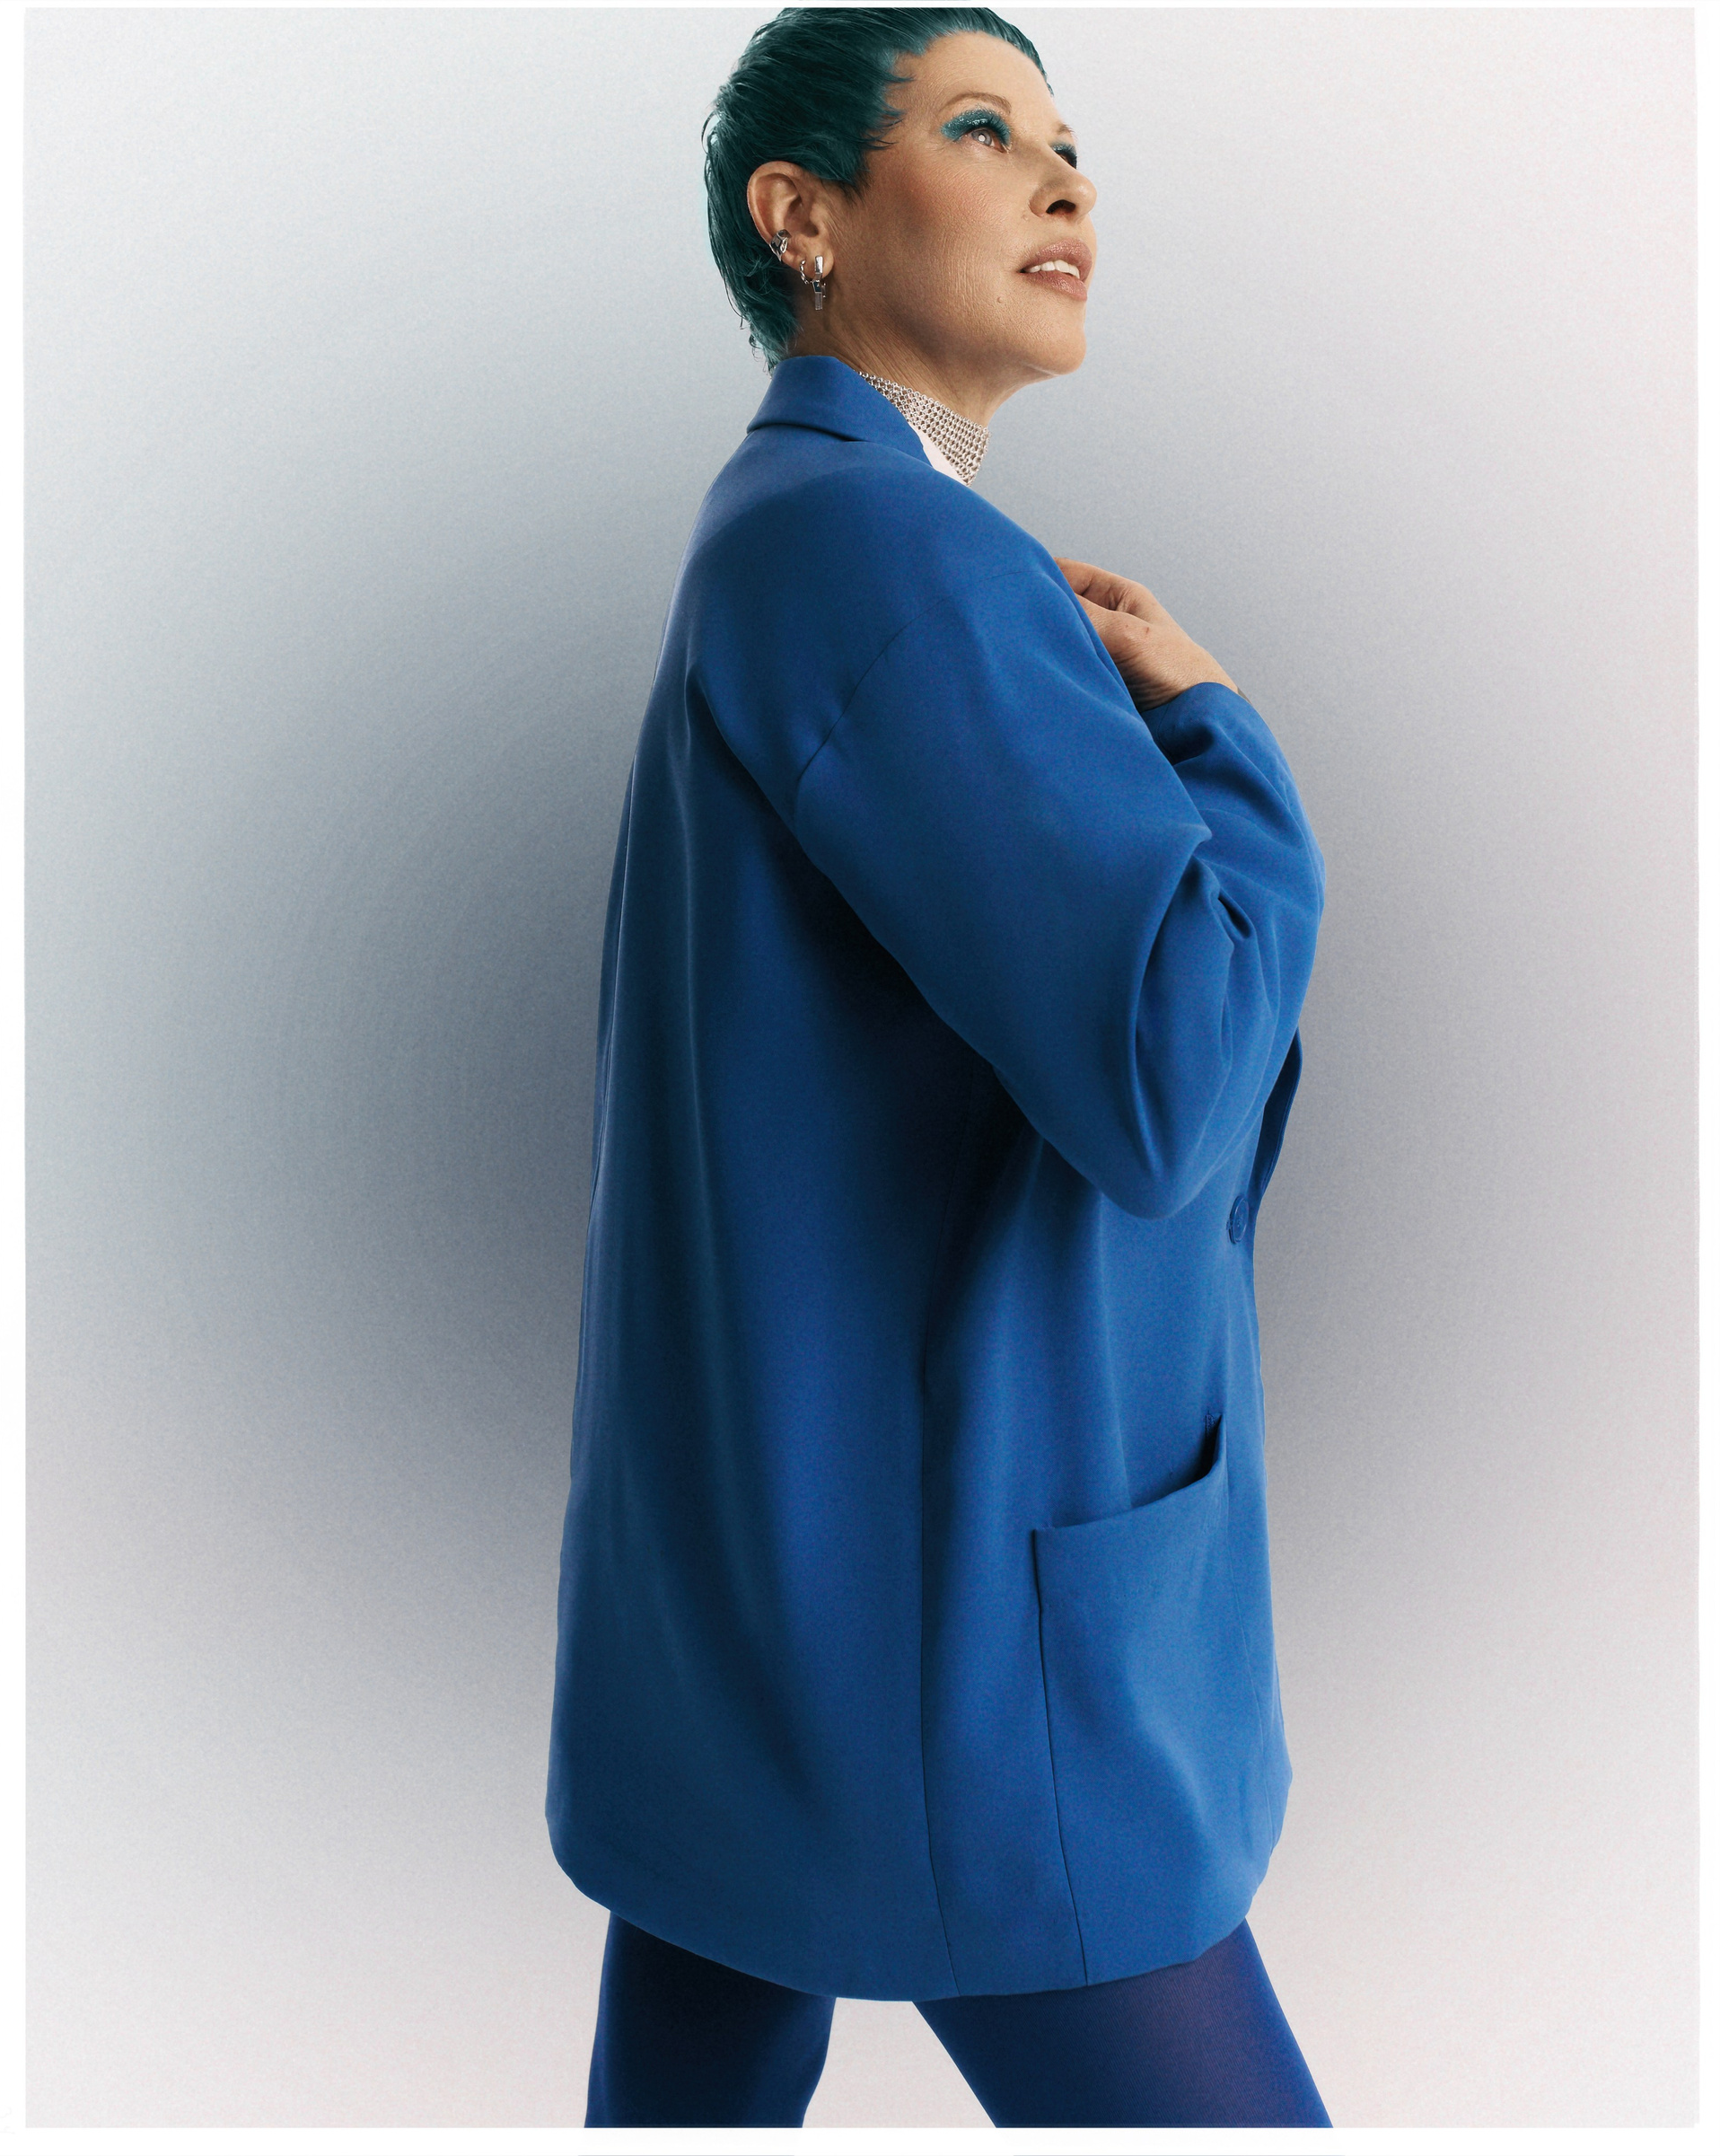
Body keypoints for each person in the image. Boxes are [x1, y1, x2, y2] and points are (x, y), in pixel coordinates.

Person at [547, 6, 1330, 2128]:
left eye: (1072, 142)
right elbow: (1168, 1071)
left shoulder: (786, 528)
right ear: (800, 215)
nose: (1067, 182)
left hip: (778, 1588)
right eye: (986, 131)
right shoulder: (892, 550)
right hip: (952, 1629)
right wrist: (1228, 741)